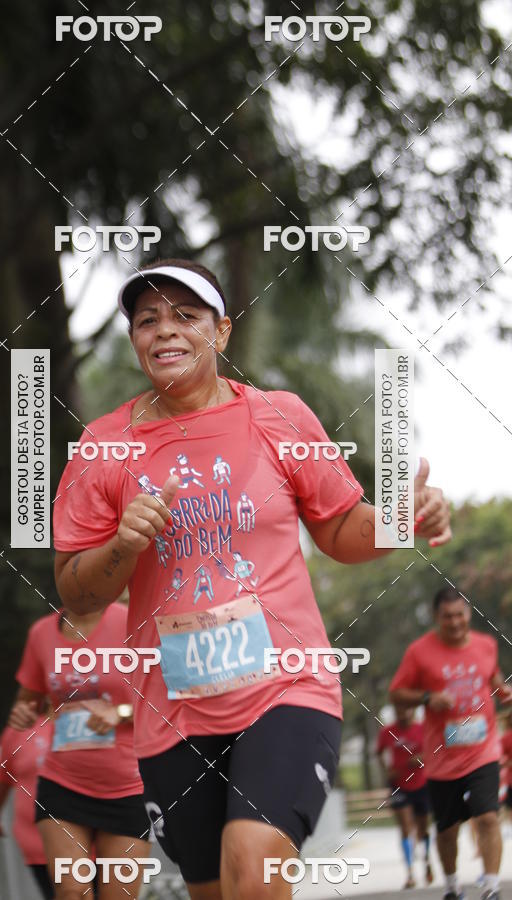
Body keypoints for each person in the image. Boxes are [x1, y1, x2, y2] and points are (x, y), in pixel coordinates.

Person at [52, 257, 452, 900]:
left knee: (254, 860)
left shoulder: (279, 416)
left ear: (222, 332)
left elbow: (340, 529)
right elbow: (75, 592)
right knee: (215, 890)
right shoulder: (104, 447)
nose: (165, 331)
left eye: (186, 316)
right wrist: (123, 547)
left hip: (287, 688)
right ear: (134, 341)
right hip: (173, 714)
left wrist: (403, 516)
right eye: (148, 320)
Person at [9, 604, 151, 900]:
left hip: (127, 788)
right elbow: (30, 699)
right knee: (72, 892)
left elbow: (164, 698)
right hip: (62, 783)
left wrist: (120, 713)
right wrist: (24, 713)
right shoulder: (41, 633)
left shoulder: (132, 620)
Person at [390, 586, 512, 900]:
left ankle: (490, 886)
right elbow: (397, 693)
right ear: (436, 618)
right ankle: (452, 884)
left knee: (487, 816)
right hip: (442, 755)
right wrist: (428, 697)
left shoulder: (486, 645)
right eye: (447, 617)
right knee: (447, 829)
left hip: (483, 749)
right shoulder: (419, 652)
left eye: (460, 615)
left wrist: (502, 690)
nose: (455, 623)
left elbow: (493, 677)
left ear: (468, 614)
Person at [0, 713, 54, 898]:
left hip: (92, 838)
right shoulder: (21, 730)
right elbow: (2, 778)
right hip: (38, 841)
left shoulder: (93, 724)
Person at [377, 704, 433, 889]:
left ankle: (426, 861)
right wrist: (387, 770)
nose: (403, 713)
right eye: (400, 711)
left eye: (406, 710)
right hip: (399, 785)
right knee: (405, 827)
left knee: (423, 828)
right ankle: (409, 872)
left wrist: (421, 758)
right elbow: (378, 753)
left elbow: (434, 750)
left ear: (413, 711)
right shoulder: (387, 732)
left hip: (422, 784)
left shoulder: (422, 728)